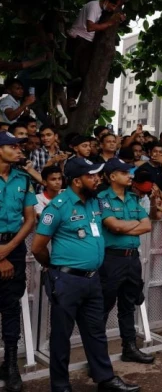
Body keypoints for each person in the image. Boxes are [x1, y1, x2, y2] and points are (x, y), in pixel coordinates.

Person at [31, 157, 139, 392]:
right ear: (78, 181)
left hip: (93, 279)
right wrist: (54, 269)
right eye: (92, 176)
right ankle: (60, 386)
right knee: (61, 336)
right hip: (67, 281)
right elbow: (37, 247)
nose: (97, 179)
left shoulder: (95, 203)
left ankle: (105, 379)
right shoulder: (58, 206)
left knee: (96, 332)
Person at [97, 158, 154, 364]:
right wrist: (129, 225)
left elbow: (147, 226)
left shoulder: (133, 198)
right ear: (112, 176)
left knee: (128, 305)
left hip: (133, 259)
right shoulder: (103, 198)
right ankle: (98, 355)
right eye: (125, 172)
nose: (130, 175)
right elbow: (114, 226)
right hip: (112, 259)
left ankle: (129, 348)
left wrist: (124, 225)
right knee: (103, 306)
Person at [0, 132, 37, 392]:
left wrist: (7, 251)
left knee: (11, 305)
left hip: (12, 246)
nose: (17, 150)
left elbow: (30, 219)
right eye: (12, 146)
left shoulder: (23, 179)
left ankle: (10, 364)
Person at [66, 0, 125, 105]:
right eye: (112, 6)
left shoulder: (103, 9)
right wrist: (110, 23)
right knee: (76, 71)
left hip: (86, 42)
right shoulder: (94, 6)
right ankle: (71, 98)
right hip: (78, 39)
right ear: (106, 1)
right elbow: (90, 27)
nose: (113, 9)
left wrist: (120, 18)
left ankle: (73, 98)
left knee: (85, 72)